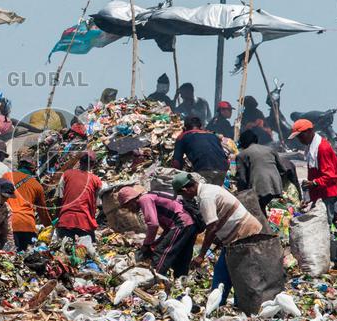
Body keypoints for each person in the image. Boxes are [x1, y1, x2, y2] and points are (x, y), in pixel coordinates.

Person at [174, 171, 262, 307]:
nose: (185, 197)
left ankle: (240, 305)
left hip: (243, 234)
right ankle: (223, 303)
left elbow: (212, 227)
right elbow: (218, 222)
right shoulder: (210, 188)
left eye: (183, 194)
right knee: (227, 270)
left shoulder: (205, 198)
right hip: (238, 235)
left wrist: (201, 255)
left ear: (186, 189)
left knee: (235, 272)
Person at [118, 185, 196, 278]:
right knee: (182, 256)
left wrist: (146, 245)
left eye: (128, 206)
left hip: (181, 223)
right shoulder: (151, 196)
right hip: (189, 223)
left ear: (132, 200)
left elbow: (153, 225)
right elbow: (167, 228)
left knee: (162, 252)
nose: (129, 209)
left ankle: (155, 280)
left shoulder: (144, 199)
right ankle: (181, 282)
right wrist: (154, 243)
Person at [289, 118, 337, 226]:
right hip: (318, 193)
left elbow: (331, 176)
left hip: (327, 193)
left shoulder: (322, 148)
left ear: (309, 131)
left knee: (325, 224)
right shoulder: (311, 148)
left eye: (300, 136)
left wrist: (314, 183)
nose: (299, 140)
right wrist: (308, 195)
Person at [2, 147, 52, 251]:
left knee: (9, 259)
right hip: (28, 225)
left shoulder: (7, 176)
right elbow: (43, 212)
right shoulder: (37, 185)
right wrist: (50, 227)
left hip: (10, 223)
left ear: (19, 164)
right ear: (33, 168)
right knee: (27, 259)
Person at [55, 150, 102, 246]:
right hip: (85, 223)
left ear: (79, 162)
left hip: (65, 221)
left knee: (64, 254)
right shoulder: (96, 180)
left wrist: (58, 218)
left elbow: (59, 198)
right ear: (93, 164)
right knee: (85, 255)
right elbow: (97, 203)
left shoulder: (66, 174)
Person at [234, 130, 284, 211]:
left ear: (243, 142)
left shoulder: (242, 155)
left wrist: (241, 195)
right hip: (276, 188)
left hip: (259, 190)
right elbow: (282, 170)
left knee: (262, 215)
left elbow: (242, 179)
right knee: (277, 215)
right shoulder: (270, 150)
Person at [172, 117, 229, 185]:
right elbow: (225, 157)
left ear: (184, 128)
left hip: (204, 169)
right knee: (214, 192)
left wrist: (177, 179)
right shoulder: (213, 136)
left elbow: (176, 162)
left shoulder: (182, 137)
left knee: (201, 192)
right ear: (201, 127)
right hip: (222, 170)